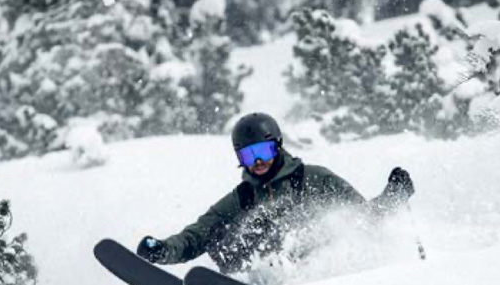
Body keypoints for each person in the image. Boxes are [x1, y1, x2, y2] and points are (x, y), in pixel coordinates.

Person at [136, 112, 415, 273]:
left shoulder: (314, 178)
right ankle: (244, 281)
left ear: (278, 146)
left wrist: (394, 196)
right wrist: (164, 250)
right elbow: (197, 234)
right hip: (260, 271)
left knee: (326, 222)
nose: (258, 162)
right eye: (248, 156)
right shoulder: (243, 196)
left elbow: (361, 216)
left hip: (310, 267)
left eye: (263, 152)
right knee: (221, 229)